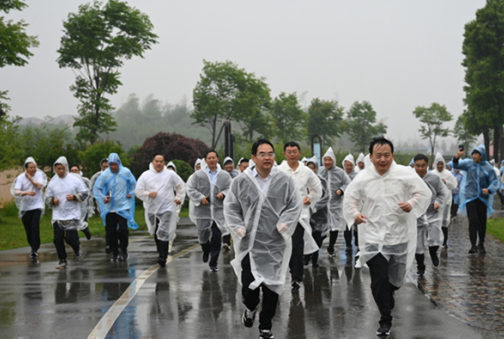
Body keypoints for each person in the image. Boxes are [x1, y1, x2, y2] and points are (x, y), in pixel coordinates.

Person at [343, 136, 431, 336]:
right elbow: (350, 199)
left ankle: (390, 291)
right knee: (378, 279)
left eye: (386, 155)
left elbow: (422, 193)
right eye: (378, 156)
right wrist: (355, 215)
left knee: (395, 280)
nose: (383, 159)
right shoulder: (363, 177)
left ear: (392, 155)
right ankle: (385, 319)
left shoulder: (404, 174)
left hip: (398, 236)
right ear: (371, 157)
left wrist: (412, 204)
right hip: (373, 237)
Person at [224, 139, 302, 339]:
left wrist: (285, 222)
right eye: (262, 154)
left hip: (275, 242)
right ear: (253, 157)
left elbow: (295, 204)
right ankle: (250, 307)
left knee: (272, 286)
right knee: (250, 286)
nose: (267, 157)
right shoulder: (241, 181)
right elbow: (231, 206)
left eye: (270, 154)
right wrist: (238, 226)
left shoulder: (284, 180)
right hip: (249, 243)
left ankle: (265, 326)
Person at [278, 141, 321, 289]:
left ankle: (296, 277)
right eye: (289, 152)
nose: (292, 154)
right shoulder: (279, 170)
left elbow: (317, 187)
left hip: (300, 215)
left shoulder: (306, 171)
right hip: (282, 215)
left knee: (297, 245)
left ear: (299, 153)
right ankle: (281, 274)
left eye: (295, 151)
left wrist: (310, 198)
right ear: (284, 154)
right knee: (283, 244)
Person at [136, 154, 185, 267]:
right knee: (156, 229)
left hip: (167, 207)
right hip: (152, 208)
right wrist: (148, 194)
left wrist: (178, 197)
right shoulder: (145, 175)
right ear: (153, 162)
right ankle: (160, 251)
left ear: (164, 163)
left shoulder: (170, 174)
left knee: (164, 230)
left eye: (161, 161)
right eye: (156, 161)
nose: (158, 163)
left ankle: (163, 256)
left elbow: (180, 186)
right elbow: (138, 191)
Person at [186, 150, 231, 272]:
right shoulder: (198, 175)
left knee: (217, 235)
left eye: (213, 157)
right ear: (205, 160)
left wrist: (224, 193)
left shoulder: (224, 175)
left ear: (218, 159)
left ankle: (213, 262)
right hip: (203, 212)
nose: (211, 160)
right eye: (209, 158)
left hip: (218, 211)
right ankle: (206, 249)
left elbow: (230, 188)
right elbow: (190, 188)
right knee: (203, 236)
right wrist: (200, 197)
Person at [452, 145, 499, 254]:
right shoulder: (468, 164)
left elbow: (494, 181)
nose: (474, 156)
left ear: (481, 156)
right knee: (473, 220)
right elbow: (456, 165)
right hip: (470, 197)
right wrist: (457, 156)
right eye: (473, 153)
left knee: (482, 221)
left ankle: (481, 243)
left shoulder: (488, 168)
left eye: (476, 154)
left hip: (482, 198)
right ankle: (473, 245)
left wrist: (489, 189)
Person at [44, 156, 90, 269]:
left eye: (62, 168)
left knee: (70, 239)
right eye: (58, 168)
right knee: (57, 239)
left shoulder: (74, 180)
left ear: (66, 168)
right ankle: (62, 260)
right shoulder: (53, 182)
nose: (60, 171)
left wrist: (74, 197)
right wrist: (52, 201)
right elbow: (47, 197)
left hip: (72, 214)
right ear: (55, 169)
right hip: (58, 215)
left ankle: (77, 248)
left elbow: (84, 193)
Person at [94, 153, 138, 261]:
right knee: (111, 232)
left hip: (123, 207)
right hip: (110, 208)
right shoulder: (104, 175)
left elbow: (134, 185)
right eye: (111, 164)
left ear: (119, 163)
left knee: (123, 230)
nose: (113, 167)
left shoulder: (126, 172)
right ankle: (114, 252)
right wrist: (103, 197)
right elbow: (97, 189)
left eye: (115, 164)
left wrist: (131, 193)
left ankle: (123, 249)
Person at [413, 154, 448, 276]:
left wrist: (438, 202)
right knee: (418, 243)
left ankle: (433, 252)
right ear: (414, 165)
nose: (421, 168)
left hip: (432, 212)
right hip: (416, 214)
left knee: (434, 238)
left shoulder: (434, 178)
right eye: (418, 166)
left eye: (423, 166)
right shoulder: (410, 178)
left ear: (427, 165)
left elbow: (443, 193)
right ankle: (420, 266)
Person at [11, 157, 48, 261]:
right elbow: (16, 191)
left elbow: (39, 186)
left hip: (37, 205)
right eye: (31, 167)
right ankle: (32, 246)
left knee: (35, 226)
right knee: (28, 227)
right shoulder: (21, 177)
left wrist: (31, 179)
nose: (33, 169)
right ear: (26, 168)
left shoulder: (39, 175)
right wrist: (26, 192)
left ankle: (35, 249)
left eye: (34, 167)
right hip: (25, 207)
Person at [318, 147, 351, 257]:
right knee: (319, 226)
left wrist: (341, 190)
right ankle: (316, 247)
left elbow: (348, 184)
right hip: (322, 205)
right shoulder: (320, 171)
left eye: (329, 160)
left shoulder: (340, 172)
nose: (327, 162)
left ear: (334, 160)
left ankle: (331, 248)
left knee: (335, 227)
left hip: (335, 204)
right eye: (325, 159)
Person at [305, 157, 330, 267]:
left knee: (317, 237)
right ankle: (306, 258)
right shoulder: (303, 181)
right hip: (306, 214)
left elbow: (326, 196)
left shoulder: (322, 181)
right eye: (309, 168)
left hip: (320, 214)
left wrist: (315, 206)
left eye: (313, 168)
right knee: (307, 236)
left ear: (316, 168)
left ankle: (315, 258)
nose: (311, 170)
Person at [432, 153, 458, 247]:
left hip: (446, 201)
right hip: (435, 201)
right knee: (434, 220)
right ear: (435, 164)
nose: (439, 166)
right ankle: (434, 240)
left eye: (441, 164)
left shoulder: (448, 174)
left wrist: (445, 182)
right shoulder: (432, 173)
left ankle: (444, 241)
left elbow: (454, 185)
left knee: (444, 221)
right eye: (438, 164)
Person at [89, 158, 109, 252]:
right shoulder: (97, 176)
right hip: (103, 204)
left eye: (107, 166)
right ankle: (109, 243)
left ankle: (119, 241)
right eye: (104, 166)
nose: (105, 168)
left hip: (116, 204)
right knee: (108, 224)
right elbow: (92, 189)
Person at [69, 165, 93, 240]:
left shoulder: (85, 180)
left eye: (75, 170)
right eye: (72, 170)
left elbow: (90, 191)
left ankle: (86, 230)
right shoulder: (68, 181)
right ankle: (76, 241)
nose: (74, 172)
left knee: (81, 222)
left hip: (83, 205)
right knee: (72, 224)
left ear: (79, 171)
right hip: (72, 205)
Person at [342, 153, 359, 254]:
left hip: (356, 204)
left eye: (350, 165)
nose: (348, 167)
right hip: (344, 205)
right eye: (347, 165)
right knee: (347, 227)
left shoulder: (357, 176)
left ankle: (357, 244)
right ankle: (348, 245)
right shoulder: (341, 175)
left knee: (356, 226)